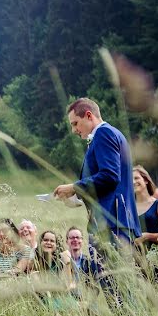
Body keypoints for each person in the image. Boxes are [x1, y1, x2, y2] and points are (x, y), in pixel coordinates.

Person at [53, 98, 141, 253]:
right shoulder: (113, 133)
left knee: (107, 276)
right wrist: (77, 199)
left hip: (111, 222)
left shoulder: (103, 133)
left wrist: (74, 187)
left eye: (75, 123)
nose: (74, 130)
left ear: (89, 115)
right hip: (116, 221)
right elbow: (109, 185)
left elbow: (110, 176)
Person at [132, 166, 158, 247]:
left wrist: (147, 236)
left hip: (153, 255)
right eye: (130, 179)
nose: (133, 181)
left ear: (146, 180)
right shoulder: (127, 206)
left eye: (136, 178)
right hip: (130, 256)